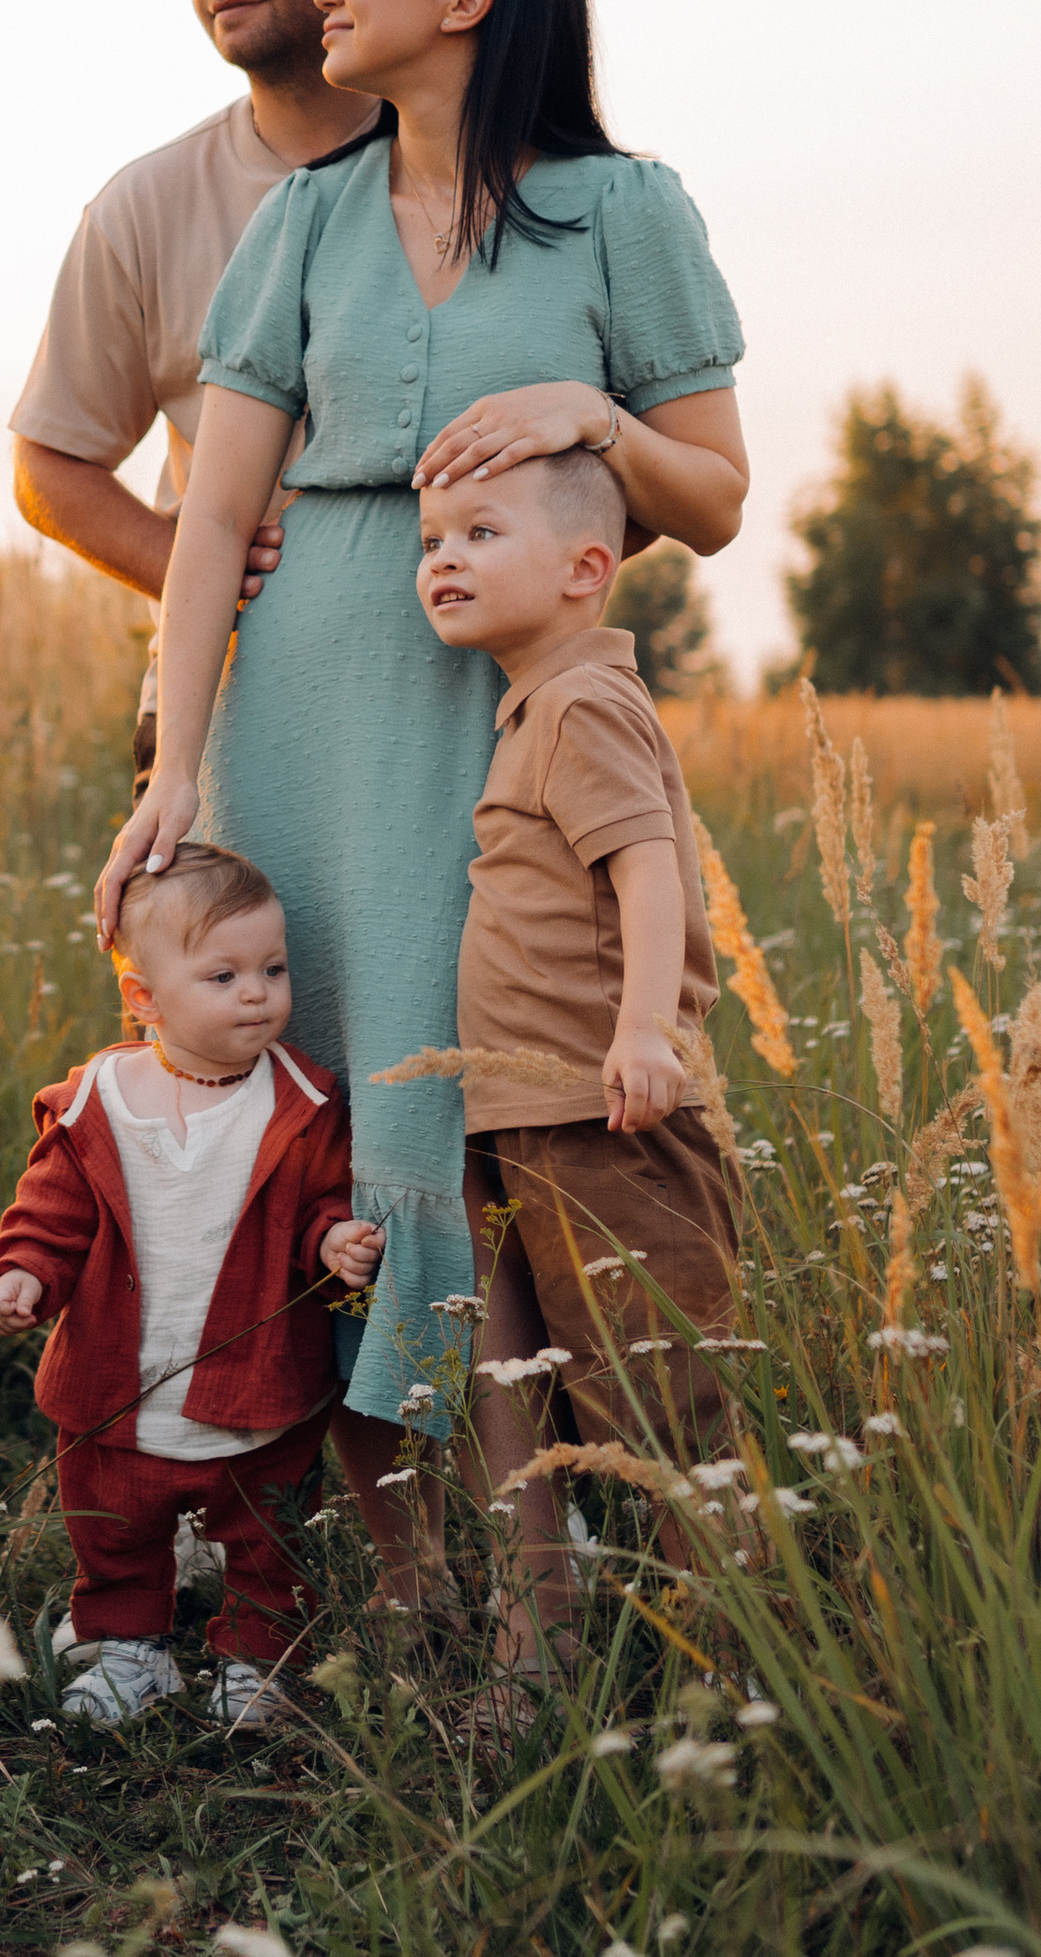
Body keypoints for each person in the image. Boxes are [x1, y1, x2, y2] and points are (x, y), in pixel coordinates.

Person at [93, 0, 748, 1623]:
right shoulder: (300, 220)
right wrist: (176, 777)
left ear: (468, 0)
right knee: (343, 1139)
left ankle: (547, 1585)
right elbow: (216, 522)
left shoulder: (625, 210)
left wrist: (593, 408)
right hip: (306, 715)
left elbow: (718, 499)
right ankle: (400, 1586)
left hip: (515, 707)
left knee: (502, 1126)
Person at [412, 446, 739, 1699]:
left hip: (602, 1108)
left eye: (480, 531)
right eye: (433, 538)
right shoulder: (530, 703)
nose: (442, 556)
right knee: (573, 1383)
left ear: (585, 569)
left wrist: (643, 1029)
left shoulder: (583, 705)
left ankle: (735, 1662)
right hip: (529, 1109)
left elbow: (647, 866)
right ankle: (636, 1645)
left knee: (661, 1392)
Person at [11, 0, 386, 789]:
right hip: (216, 715)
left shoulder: (498, 180)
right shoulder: (146, 203)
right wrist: (202, 570)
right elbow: (48, 461)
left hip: (458, 703)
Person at [0, 845, 383, 1732]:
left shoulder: (301, 1102)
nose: (258, 993)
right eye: (224, 975)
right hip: (117, 1383)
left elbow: (318, 1203)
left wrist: (336, 1241)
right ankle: (131, 1650)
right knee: (113, 1528)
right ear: (144, 1000)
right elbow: (52, 1209)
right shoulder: (99, 1101)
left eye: (273, 969)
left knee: (266, 1531)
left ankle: (259, 1659)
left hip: (257, 1378)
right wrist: (25, 1272)